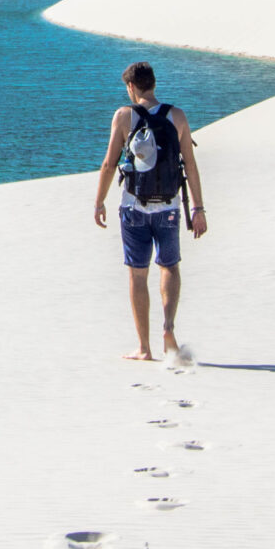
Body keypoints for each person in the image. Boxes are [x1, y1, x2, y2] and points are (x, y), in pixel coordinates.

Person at [92, 61, 208, 362]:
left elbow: (108, 164)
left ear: (131, 87)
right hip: (169, 207)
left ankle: (144, 347)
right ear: (153, 84)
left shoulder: (124, 116)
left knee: (138, 275)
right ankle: (168, 326)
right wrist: (198, 208)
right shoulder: (177, 116)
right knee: (169, 267)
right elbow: (190, 166)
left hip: (134, 208)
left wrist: (99, 201)